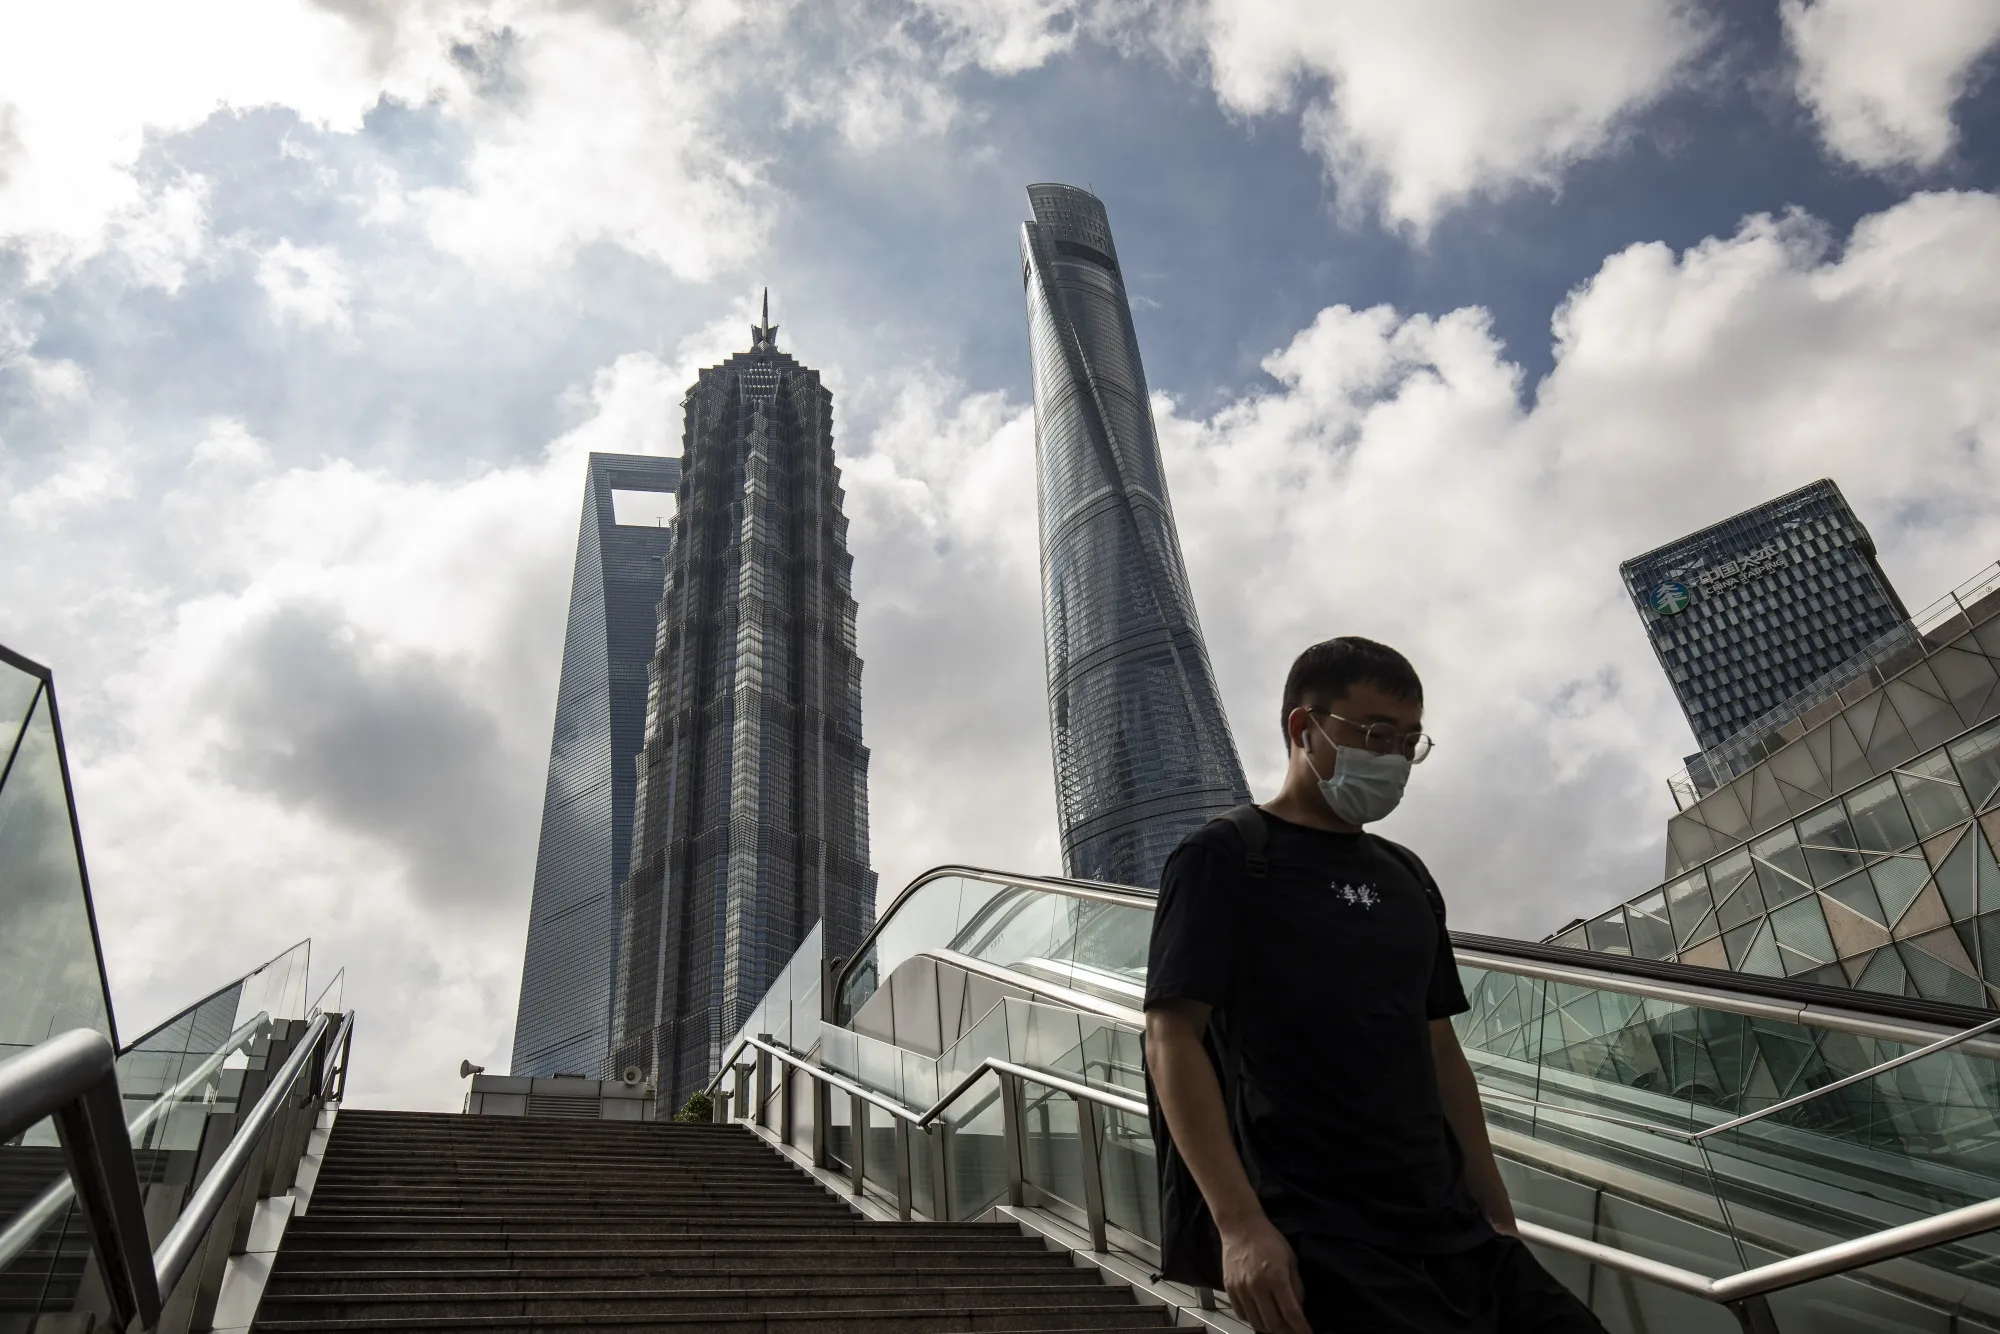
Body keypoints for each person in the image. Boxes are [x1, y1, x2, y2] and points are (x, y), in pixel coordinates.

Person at [1144, 637, 1604, 1334]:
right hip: (1320, 1234)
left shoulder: (1406, 875)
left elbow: (1439, 1044)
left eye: (1410, 741)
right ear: (1305, 728)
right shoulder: (1226, 857)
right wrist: (1239, 1226)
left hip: (1455, 1230)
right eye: (1376, 734)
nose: (1393, 758)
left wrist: (1497, 1215)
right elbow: (1170, 1036)